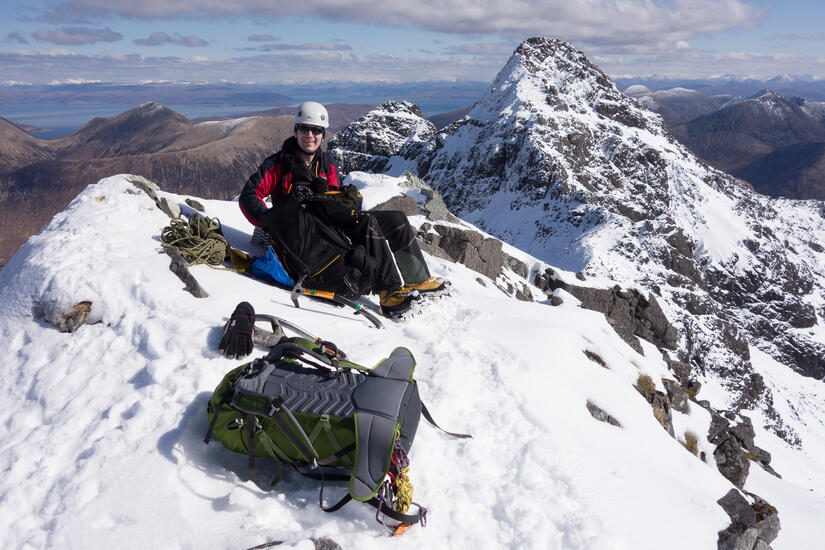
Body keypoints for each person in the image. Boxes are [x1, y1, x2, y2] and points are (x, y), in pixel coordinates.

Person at [239, 101, 447, 317]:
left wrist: (331, 196)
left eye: (316, 130)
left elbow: (337, 200)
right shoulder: (278, 165)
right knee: (368, 223)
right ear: (295, 131)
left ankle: (418, 280)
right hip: (303, 235)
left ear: (323, 134)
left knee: (397, 219)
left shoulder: (325, 164)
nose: (310, 135)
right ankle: (389, 293)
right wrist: (270, 218)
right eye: (304, 129)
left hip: (331, 222)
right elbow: (249, 195)